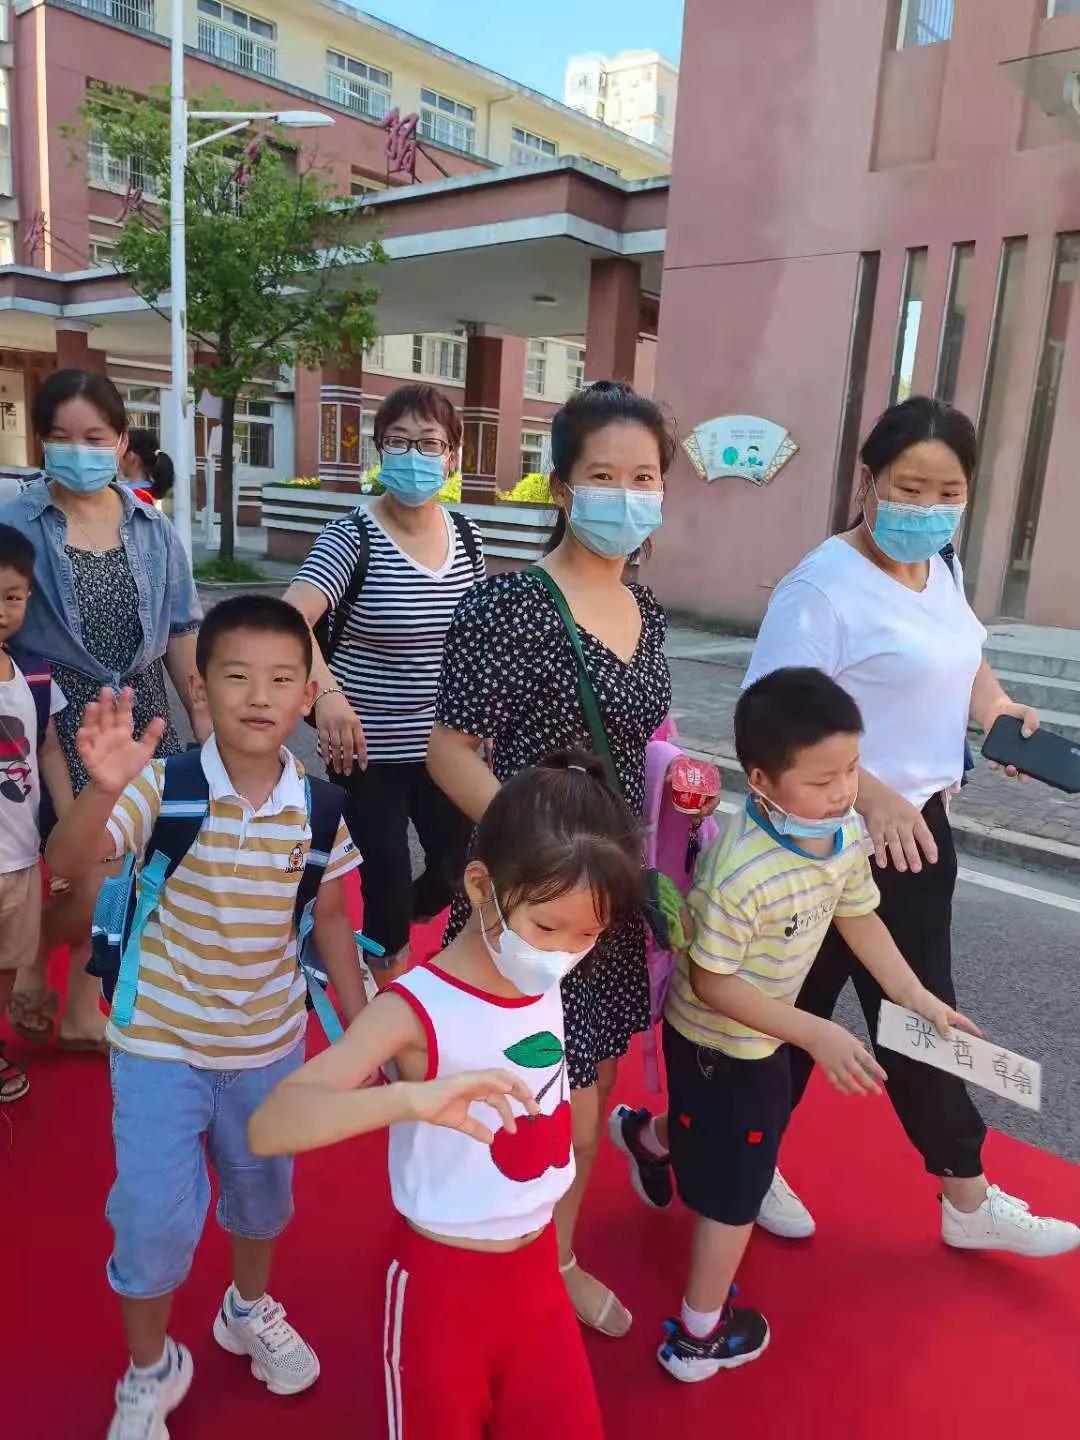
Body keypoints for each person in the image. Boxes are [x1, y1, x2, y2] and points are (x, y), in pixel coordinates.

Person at [736, 396, 1079, 1256]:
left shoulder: (941, 566)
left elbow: (960, 652)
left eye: (947, 492)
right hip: (821, 841)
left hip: (917, 836)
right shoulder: (821, 586)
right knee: (807, 1015)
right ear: (866, 480)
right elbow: (768, 714)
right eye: (908, 488)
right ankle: (710, 1150)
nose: (926, 510)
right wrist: (870, 792)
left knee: (902, 1012)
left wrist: (995, 705)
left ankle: (959, 1196)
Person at [44, 595, 366, 1440]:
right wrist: (100, 791)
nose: (259, 695)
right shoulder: (164, 785)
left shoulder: (320, 808)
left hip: (269, 1045)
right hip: (160, 1043)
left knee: (262, 1199)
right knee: (151, 1216)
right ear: (201, 689)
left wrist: (363, 1035)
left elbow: (330, 922)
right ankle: (150, 1370)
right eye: (236, 676)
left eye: (282, 679)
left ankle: (245, 1308)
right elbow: (68, 867)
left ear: (307, 696)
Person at [250, 752, 642, 1440]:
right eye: (548, 929)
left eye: (589, 935)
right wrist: (411, 1101)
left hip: (537, 1278)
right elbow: (272, 1125)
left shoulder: (542, 976)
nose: (565, 954)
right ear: (481, 886)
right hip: (440, 1288)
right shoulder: (415, 1009)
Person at [428, 380, 680, 1337]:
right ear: (565, 486)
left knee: (591, 1094)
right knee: (533, 1108)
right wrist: (543, 855)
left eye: (644, 476)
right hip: (534, 904)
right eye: (603, 474)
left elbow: (648, 731)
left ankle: (557, 1256)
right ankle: (483, 1255)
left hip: (609, 904)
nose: (627, 493)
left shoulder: (646, 610)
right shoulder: (509, 603)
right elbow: (450, 750)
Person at [653, 667, 982, 1381]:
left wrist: (915, 994)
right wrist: (815, 1033)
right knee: (739, 1189)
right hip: (727, 1042)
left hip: (763, 1033)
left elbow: (858, 913)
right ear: (763, 780)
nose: (842, 792)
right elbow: (712, 984)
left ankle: (645, 1139)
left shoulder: (839, 833)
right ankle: (698, 1335)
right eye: (823, 779)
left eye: (853, 771)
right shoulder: (741, 871)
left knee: (699, 1131)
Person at [0, 369, 207, 1054]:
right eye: (59, 437)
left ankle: (85, 1005)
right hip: (54, 723)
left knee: (133, 870)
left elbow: (180, 629)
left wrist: (206, 723)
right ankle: (28, 958)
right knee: (74, 875)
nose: (77, 450)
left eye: (93, 436)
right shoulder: (13, 519)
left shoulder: (151, 525)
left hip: (142, 714)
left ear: (121, 441)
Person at [284, 383, 483, 982]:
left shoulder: (467, 535)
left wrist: (485, 724)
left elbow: (474, 639)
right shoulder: (353, 535)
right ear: (378, 452)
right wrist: (330, 697)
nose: (413, 456)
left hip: (444, 744)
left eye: (429, 443)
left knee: (460, 863)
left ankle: (371, 934)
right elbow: (289, 620)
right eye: (397, 442)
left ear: (451, 457)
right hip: (364, 747)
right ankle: (386, 979)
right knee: (387, 875)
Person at [0, 524, 73, 1102]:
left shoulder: (36, 673)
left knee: (8, 961)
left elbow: (47, 747)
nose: (2, 610)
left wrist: (67, 830)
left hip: (21, 855)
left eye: (13, 597)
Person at [119, 428, 175, 506]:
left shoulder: (135, 498)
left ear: (130, 456)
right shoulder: (146, 491)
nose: (117, 459)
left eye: (120, 453)